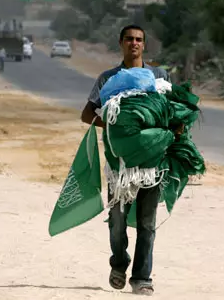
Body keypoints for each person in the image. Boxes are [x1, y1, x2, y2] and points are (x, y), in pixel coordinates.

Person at [80, 25, 169, 296]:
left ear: (144, 45)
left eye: (139, 40)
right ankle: (119, 264)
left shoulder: (159, 77)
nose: (134, 43)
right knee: (117, 220)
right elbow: (86, 114)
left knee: (146, 224)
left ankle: (142, 278)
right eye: (129, 39)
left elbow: (171, 110)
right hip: (120, 165)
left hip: (152, 164)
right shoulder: (108, 78)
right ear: (120, 43)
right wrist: (112, 125)